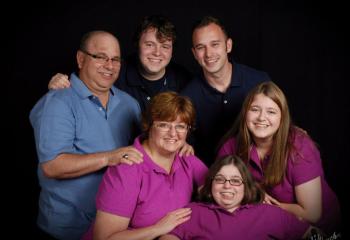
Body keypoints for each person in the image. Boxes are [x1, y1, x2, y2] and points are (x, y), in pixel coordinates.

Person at [29, 30, 144, 240]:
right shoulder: (58, 102)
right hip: (69, 230)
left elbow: (143, 154)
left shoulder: (129, 104)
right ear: (81, 59)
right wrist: (109, 157)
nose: (110, 65)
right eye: (101, 57)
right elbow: (52, 166)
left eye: (115, 59)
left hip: (116, 228)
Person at [217, 81, 341, 236]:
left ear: (282, 117)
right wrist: (254, 195)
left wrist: (262, 206)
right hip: (272, 226)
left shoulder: (300, 147)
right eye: (255, 109)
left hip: (321, 231)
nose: (262, 117)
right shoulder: (230, 147)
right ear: (245, 113)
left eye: (271, 112)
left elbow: (312, 213)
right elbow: (215, 190)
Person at [81, 91, 208, 240]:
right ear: (149, 126)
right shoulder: (127, 169)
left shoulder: (187, 159)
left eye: (180, 126)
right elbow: (104, 238)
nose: (173, 134)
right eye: (164, 125)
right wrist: (158, 229)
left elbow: (222, 193)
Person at [48, 15, 192, 112]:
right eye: (149, 44)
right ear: (137, 45)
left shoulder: (185, 81)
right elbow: (86, 81)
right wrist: (60, 83)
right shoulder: (113, 71)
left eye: (165, 46)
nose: (157, 52)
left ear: (172, 51)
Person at [181, 16, 271, 166]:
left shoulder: (258, 81)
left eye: (215, 44)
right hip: (211, 176)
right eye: (200, 47)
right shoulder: (187, 97)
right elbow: (184, 144)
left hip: (260, 171)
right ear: (194, 53)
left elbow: (281, 126)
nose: (208, 54)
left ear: (228, 45)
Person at [159, 155, 315, 240]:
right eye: (220, 179)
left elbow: (313, 234)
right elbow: (168, 236)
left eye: (235, 181)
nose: (227, 186)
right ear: (210, 183)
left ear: (245, 185)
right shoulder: (192, 212)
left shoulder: (270, 213)